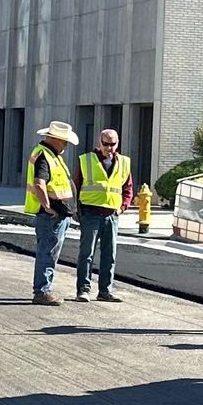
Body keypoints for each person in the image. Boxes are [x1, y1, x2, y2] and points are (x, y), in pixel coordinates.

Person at [23, 122, 79, 303]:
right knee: (47, 253)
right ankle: (42, 291)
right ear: (55, 139)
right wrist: (47, 206)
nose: (66, 145)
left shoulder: (52, 155)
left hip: (57, 214)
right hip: (50, 216)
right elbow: (39, 183)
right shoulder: (44, 156)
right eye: (64, 141)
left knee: (49, 253)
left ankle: (44, 289)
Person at [75, 124, 131, 301]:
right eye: (106, 144)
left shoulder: (123, 162)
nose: (109, 148)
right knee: (87, 253)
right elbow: (75, 186)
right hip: (90, 213)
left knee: (109, 254)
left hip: (111, 215)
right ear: (100, 143)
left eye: (113, 144)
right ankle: (83, 289)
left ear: (117, 143)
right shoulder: (86, 160)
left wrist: (122, 208)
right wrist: (77, 211)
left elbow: (128, 188)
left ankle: (105, 290)